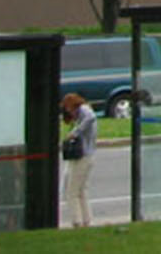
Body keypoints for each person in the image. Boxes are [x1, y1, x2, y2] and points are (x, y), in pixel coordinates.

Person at [59, 92, 98, 227]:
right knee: (81, 190)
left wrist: (75, 133)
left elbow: (91, 117)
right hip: (86, 155)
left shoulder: (84, 111)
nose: (68, 112)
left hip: (83, 156)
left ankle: (76, 220)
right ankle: (86, 219)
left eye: (68, 108)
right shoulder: (81, 113)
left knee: (72, 191)